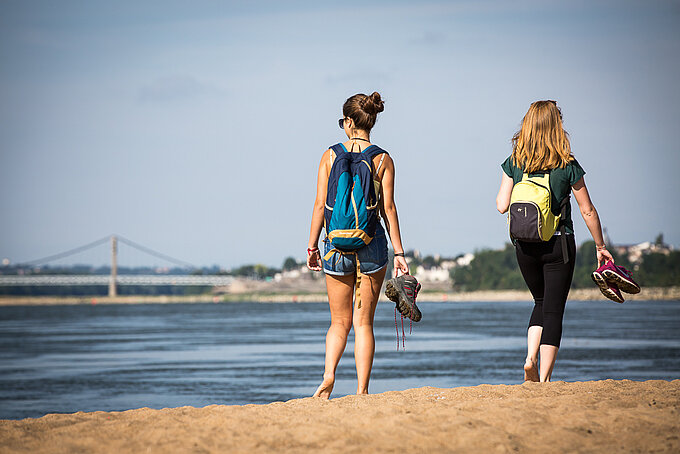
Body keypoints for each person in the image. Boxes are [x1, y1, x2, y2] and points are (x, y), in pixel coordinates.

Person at [495, 100, 614, 382]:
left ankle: (529, 358)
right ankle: (545, 378)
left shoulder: (514, 161)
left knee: (539, 301)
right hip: (558, 244)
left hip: (524, 245)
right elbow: (587, 210)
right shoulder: (567, 164)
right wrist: (600, 246)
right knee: (553, 310)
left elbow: (501, 205)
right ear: (556, 127)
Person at [306, 92, 409, 398]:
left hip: (335, 247)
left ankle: (328, 377)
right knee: (363, 323)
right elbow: (388, 209)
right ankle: (362, 390)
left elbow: (318, 205)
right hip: (372, 245)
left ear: (348, 122)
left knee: (339, 322)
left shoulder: (329, 155)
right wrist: (400, 252)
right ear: (371, 122)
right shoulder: (383, 159)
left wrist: (312, 246)